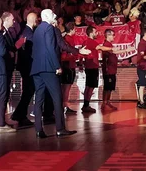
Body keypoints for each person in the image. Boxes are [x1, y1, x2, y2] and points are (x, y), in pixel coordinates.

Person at [31, 9, 76, 138]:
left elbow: (36, 50)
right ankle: (60, 129)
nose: (54, 16)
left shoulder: (37, 30)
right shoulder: (49, 28)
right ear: (46, 16)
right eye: (52, 14)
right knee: (57, 98)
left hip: (37, 68)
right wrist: (57, 66)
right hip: (49, 68)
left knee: (39, 100)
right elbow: (51, 48)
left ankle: (39, 130)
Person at [82, 25, 117, 113]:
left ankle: (86, 104)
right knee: (90, 87)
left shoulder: (85, 42)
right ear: (90, 33)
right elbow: (100, 48)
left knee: (88, 86)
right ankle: (86, 105)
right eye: (95, 32)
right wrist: (111, 48)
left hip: (89, 66)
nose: (96, 33)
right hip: (92, 66)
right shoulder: (91, 41)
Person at [11, 13, 37, 127]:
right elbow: (29, 51)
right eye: (37, 19)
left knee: (29, 91)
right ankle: (19, 116)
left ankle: (19, 115)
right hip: (28, 66)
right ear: (34, 20)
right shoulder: (28, 32)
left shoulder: (26, 31)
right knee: (29, 90)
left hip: (26, 66)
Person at [101, 29, 132, 111]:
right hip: (108, 70)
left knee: (110, 87)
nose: (114, 36)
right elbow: (114, 51)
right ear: (108, 35)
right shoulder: (106, 45)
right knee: (107, 87)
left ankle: (107, 102)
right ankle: (104, 103)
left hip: (112, 70)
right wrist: (126, 50)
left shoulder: (109, 44)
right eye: (113, 35)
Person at [0, 17, 15, 133]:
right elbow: (2, 52)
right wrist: (9, 53)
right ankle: (1, 124)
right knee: (1, 97)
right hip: (0, 71)